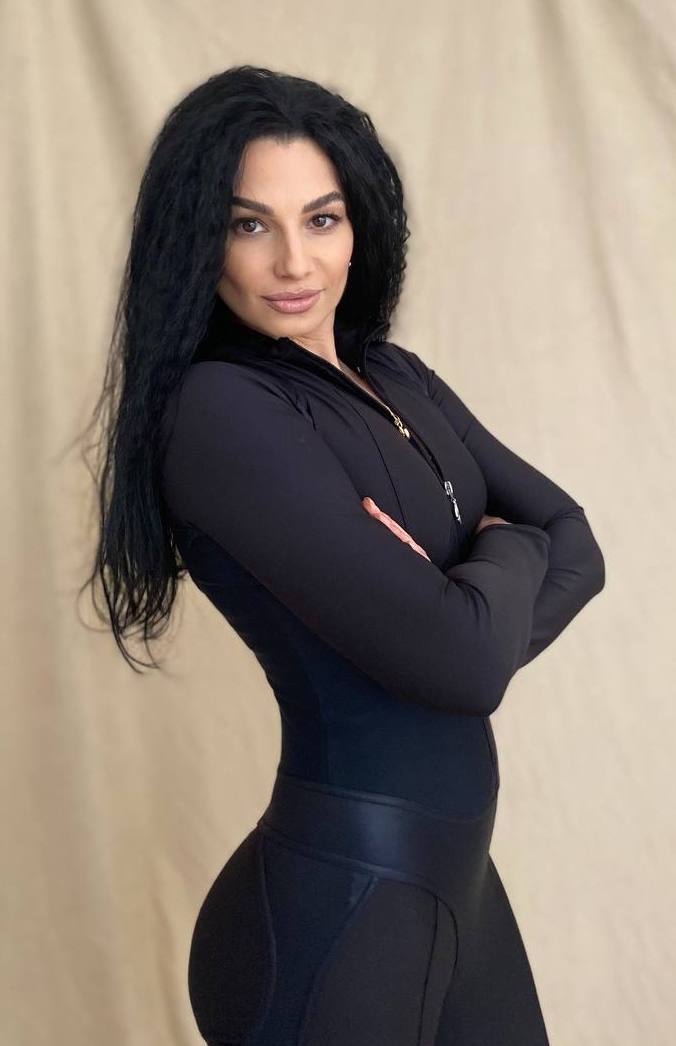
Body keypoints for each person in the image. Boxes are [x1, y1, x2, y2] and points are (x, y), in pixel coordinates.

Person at [82, 65, 605, 1046]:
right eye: (249, 224)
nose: (293, 260)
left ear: (360, 226)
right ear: (200, 240)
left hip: (456, 888)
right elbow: (467, 664)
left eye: (320, 219)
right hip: (336, 912)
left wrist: (464, 608)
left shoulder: (396, 377)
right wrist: (493, 567)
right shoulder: (221, 413)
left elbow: (575, 541)